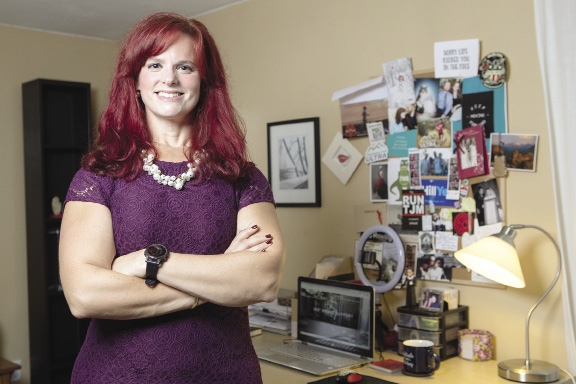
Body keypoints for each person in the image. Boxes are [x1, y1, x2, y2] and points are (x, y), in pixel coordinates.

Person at [58, 12, 285, 384]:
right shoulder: (98, 176)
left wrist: (144, 262)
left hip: (226, 374)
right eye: (155, 64)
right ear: (135, 80)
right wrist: (215, 283)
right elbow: (85, 295)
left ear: (205, 81)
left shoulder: (242, 178)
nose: (170, 79)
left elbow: (262, 281)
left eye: (185, 67)